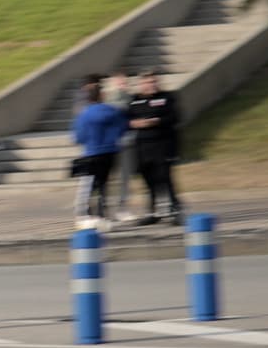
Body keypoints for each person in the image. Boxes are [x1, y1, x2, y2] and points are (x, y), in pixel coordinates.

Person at [127, 71, 184, 226]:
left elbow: (175, 117)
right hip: (143, 146)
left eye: (153, 81)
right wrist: (133, 124)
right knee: (148, 180)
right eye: (147, 82)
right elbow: (126, 119)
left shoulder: (166, 97)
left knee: (165, 177)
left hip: (163, 144)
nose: (151, 85)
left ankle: (176, 210)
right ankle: (153, 212)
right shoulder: (134, 100)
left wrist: (156, 121)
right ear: (141, 84)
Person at [72, 82, 127, 229]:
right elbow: (123, 129)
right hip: (111, 153)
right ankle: (103, 215)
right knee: (104, 185)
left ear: (89, 98)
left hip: (92, 152)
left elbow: (78, 137)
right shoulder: (113, 111)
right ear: (102, 95)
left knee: (89, 185)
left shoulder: (84, 114)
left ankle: (85, 215)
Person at [103, 70, 138, 221]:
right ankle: (103, 210)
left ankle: (122, 208)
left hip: (126, 143)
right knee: (107, 179)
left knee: (124, 178)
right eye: (120, 83)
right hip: (109, 146)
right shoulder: (107, 103)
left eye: (125, 82)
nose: (123, 86)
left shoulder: (131, 100)